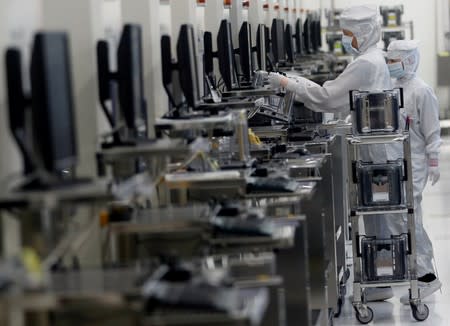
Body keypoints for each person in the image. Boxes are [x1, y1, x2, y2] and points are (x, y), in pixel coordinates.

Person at [262, 4, 398, 301]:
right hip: (374, 146)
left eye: (347, 34)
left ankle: (382, 280)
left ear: (361, 33)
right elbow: (336, 95)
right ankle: (380, 278)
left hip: (373, 150)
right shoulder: (370, 58)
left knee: (377, 216)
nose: (344, 39)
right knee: (376, 216)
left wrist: (288, 84)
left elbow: (328, 97)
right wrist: (294, 83)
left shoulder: (366, 63)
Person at [386, 40, 442, 304]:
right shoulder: (392, 86)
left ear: (408, 61)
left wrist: (433, 161)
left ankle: (426, 276)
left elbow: (432, 130)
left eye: (393, 61)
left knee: (409, 218)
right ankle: (419, 273)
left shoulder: (422, 90)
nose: (390, 66)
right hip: (396, 160)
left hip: (415, 161)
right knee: (404, 219)